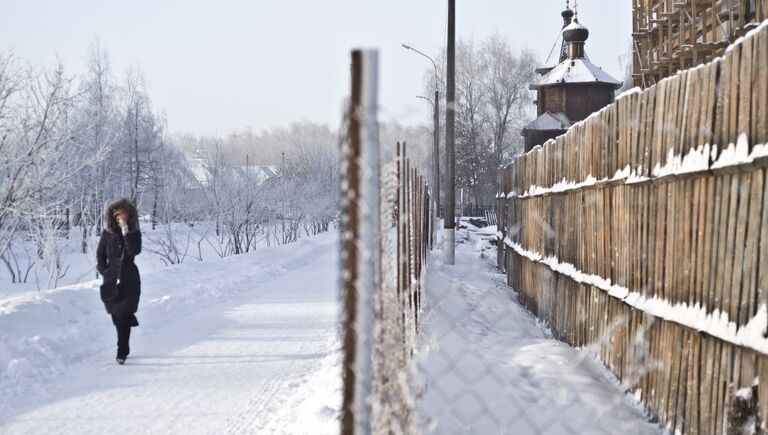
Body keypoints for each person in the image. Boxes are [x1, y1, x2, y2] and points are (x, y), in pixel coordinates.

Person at [96, 198, 142, 365]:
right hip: (111, 278)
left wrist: (125, 231)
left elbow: (134, 250)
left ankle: (121, 350)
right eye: (116, 216)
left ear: (128, 215)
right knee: (116, 316)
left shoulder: (134, 232)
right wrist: (104, 271)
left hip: (129, 277)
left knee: (124, 313)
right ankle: (124, 346)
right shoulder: (107, 233)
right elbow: (100, 254)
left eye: (121, 215)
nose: (118, 219)